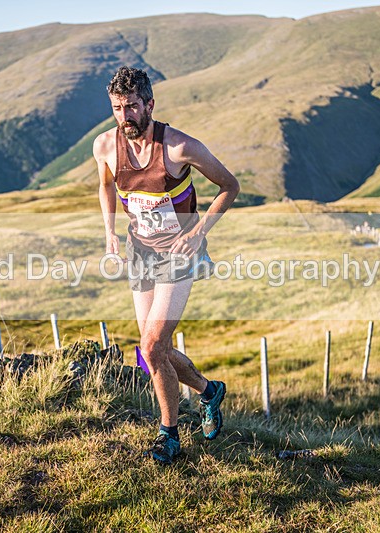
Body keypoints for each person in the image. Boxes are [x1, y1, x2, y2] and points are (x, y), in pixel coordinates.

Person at [93, 66, 240, 464]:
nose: (125, 116)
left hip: (179, 253)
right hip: (140, 251)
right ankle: (209, 392)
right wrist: (110, 230)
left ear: (150, 105)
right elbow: (106, 184)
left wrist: (201, 230)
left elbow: (230, 185)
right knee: (151, 352)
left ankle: (168, 434)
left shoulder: (179, 147)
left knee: (152, 346)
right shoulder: (105, 146)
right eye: (117, 108)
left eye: (132, 107)